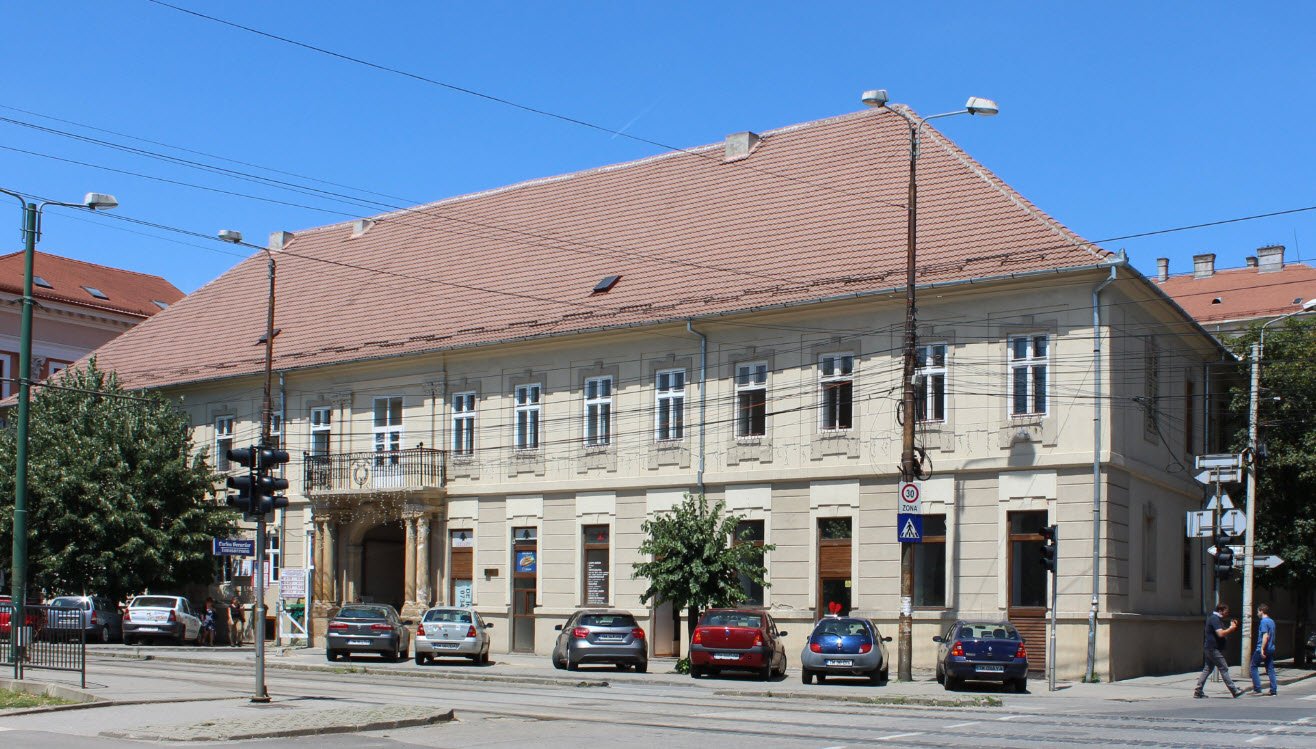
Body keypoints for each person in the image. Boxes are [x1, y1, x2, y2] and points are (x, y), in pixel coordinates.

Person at [1194, 603, 1243, 698]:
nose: (1227, 614)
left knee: (1207, 669)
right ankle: (1234, 690)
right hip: (1213, 649)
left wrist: (1231, 628)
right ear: (1220, 610)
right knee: (1224, 668)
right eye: (1226, 612)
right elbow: (1220, 634)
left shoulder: (1216, 619)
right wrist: (1231, 628)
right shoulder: (1214, 619)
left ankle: (1198, 691)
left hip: (1210, 648)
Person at [1249, 603, 1278, 696]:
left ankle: (1257, 688)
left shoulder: (1264, 622)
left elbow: (1265, 636)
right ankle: (1273, 690)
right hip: (1271, 648)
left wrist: (1261, 649)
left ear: (1261, 611)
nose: (1257, 613)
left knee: (1253, 666)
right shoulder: (1272, 621)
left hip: (1263, 648)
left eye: (1258, 611)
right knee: (1270, 669)